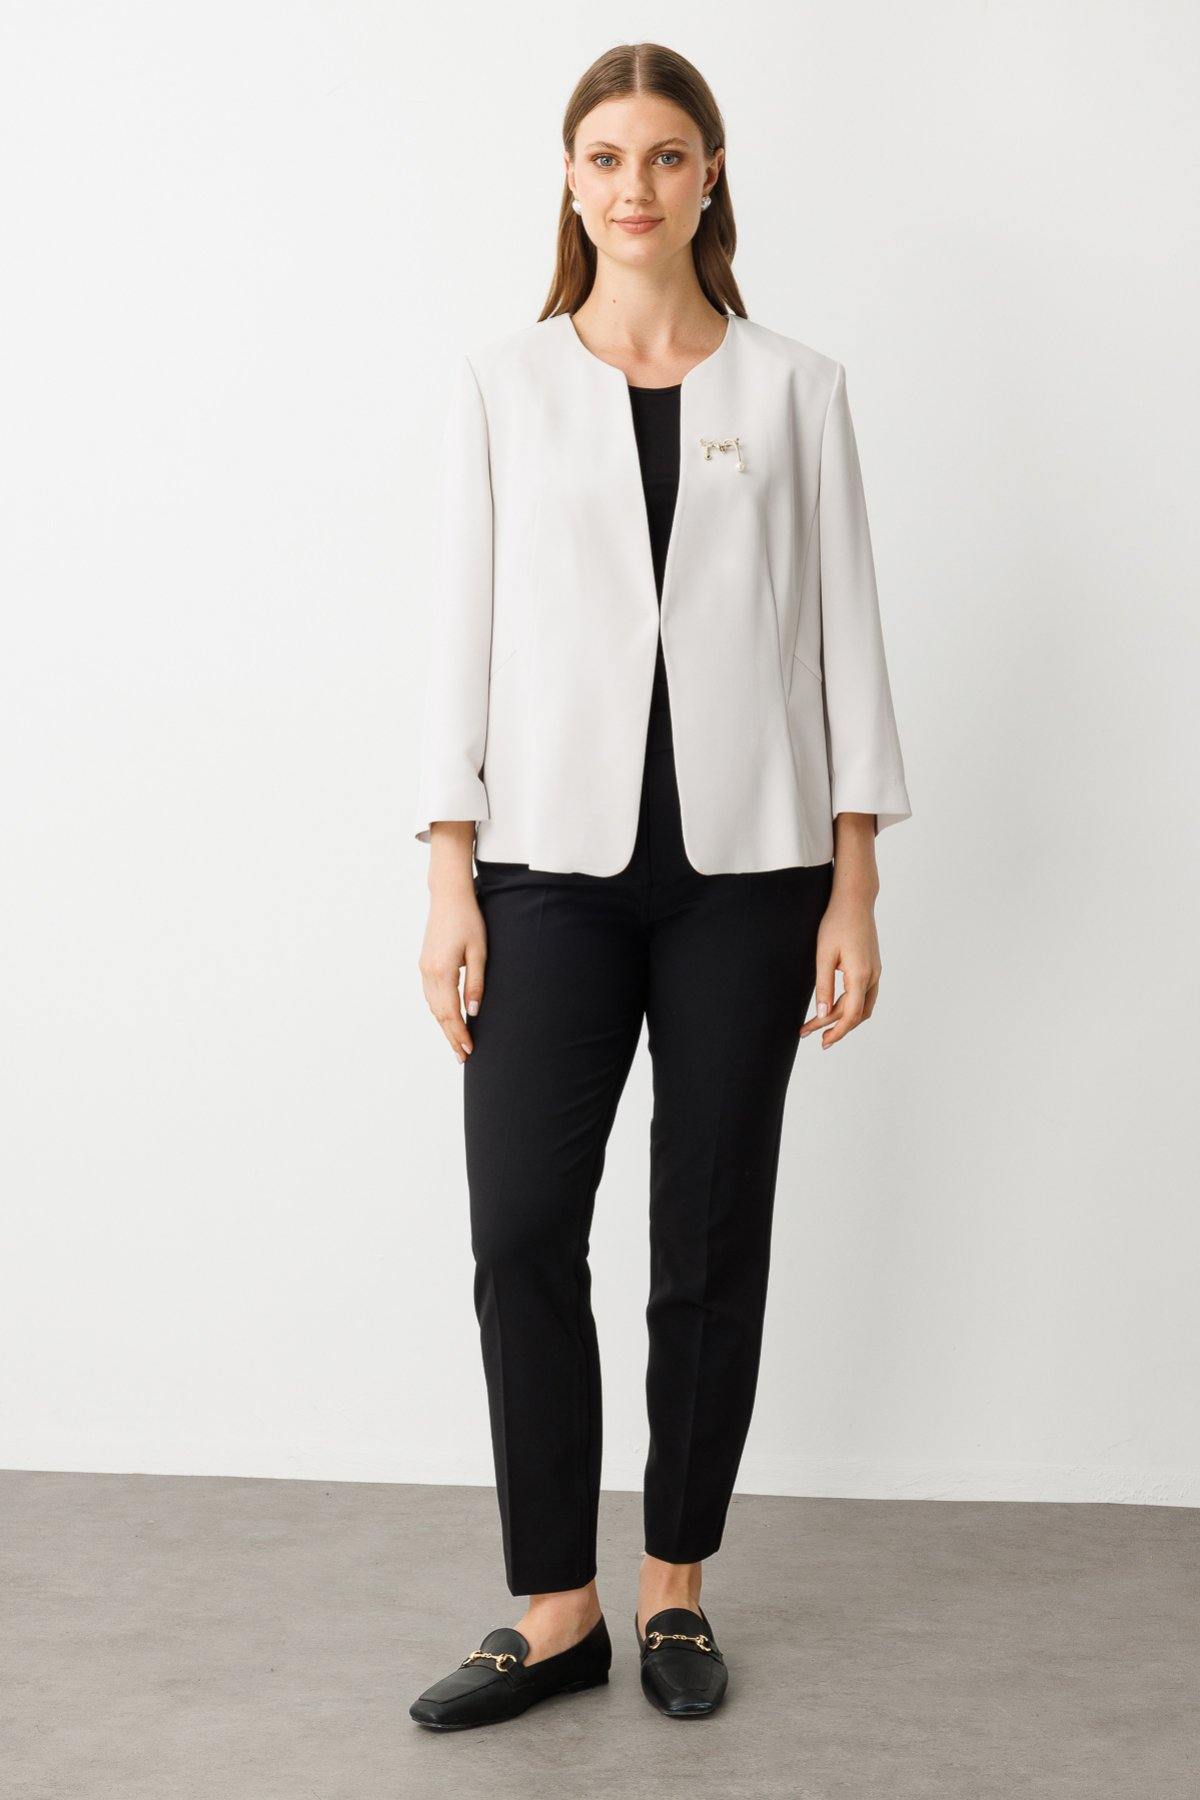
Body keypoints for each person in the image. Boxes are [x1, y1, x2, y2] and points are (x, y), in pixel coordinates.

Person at [409, 42, 912, 1730]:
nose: (637, 184)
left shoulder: (798, 389)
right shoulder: (502, 385)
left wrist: (853, 886)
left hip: (748, 879)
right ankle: (555, 1610)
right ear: (571, 180)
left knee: (707, 1236)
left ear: (711, 178)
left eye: (668, 155)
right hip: (545, 874)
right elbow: (459, 641)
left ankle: (675, 1588)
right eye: (608, 155)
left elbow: (847, 638)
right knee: (520, 1231)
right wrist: (449, 875)